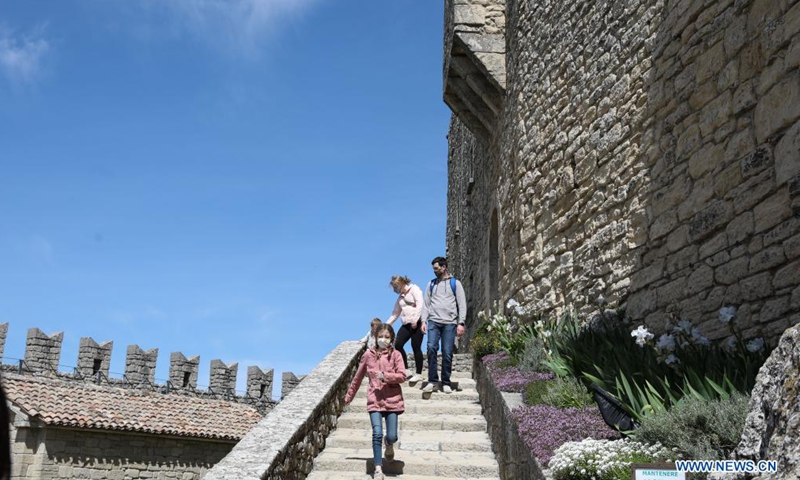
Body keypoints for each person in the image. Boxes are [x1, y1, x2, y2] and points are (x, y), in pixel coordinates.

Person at [345, 324, 406, 480]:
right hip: (375, 400)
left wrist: (384, 376)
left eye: (387, 337)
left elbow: (402, 376)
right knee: (377, 433)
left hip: (392, 400)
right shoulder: (368, 355)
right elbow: (357, 378)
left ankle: (389, 444)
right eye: (381, 336)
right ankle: (378, 469)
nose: (383, 339)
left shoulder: (396, 355)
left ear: (391, 338)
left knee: (392, 436)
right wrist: (349, 396)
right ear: (375, 337)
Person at [421, 256, 466, 394]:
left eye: (436, 268)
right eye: (433, 269)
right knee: (431, 348)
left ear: (443, 267)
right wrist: (423, 321)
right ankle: (433, 381)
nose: (434, 271)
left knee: (447, 353)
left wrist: (461, 323)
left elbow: (462, 304)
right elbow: (426, 304)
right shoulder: (431, 284)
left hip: (450, 323)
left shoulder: (455, 283)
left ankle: (446, 382)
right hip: (434, 321)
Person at [385, 275, 424, 383]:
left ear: (401, 283)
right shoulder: (400, 298)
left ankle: (419, 373)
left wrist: (415, 320)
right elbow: (395, 313)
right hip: (406, 324)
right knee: (398, 344)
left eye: (396, 287)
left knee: (415, 346)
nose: (395, 289)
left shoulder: (415, 289)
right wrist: (386, 325)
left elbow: (420, 305)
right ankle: (406, 370)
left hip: (417, 323)